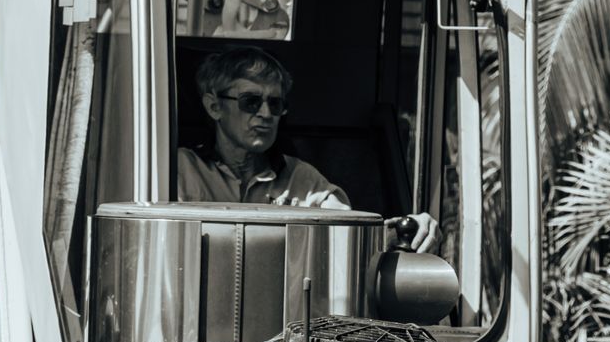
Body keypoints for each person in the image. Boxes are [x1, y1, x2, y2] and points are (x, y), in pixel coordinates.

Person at [177, 48, 437, 251]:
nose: (266, 114)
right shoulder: (178, 170)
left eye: (275, 104)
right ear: (214, 107)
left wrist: (409, 229)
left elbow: (352, 235)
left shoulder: (302, 179)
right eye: (251, 101)